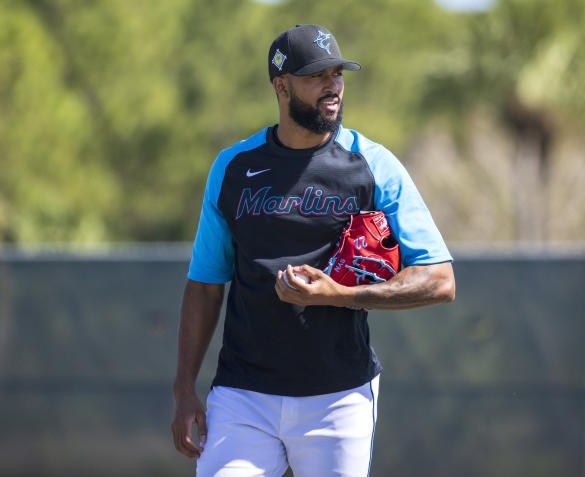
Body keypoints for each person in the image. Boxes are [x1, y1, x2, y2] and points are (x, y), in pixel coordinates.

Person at [171, 24, 455, 477]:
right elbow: (205, 285)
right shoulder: (233, 167)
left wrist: (338, 295)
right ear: (281, 86)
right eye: (316, 75)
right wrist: (184, 388)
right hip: (243, 394)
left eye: (338, 73)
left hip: (338, 396)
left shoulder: (372, 164)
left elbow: (440, 280)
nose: (333, 85)